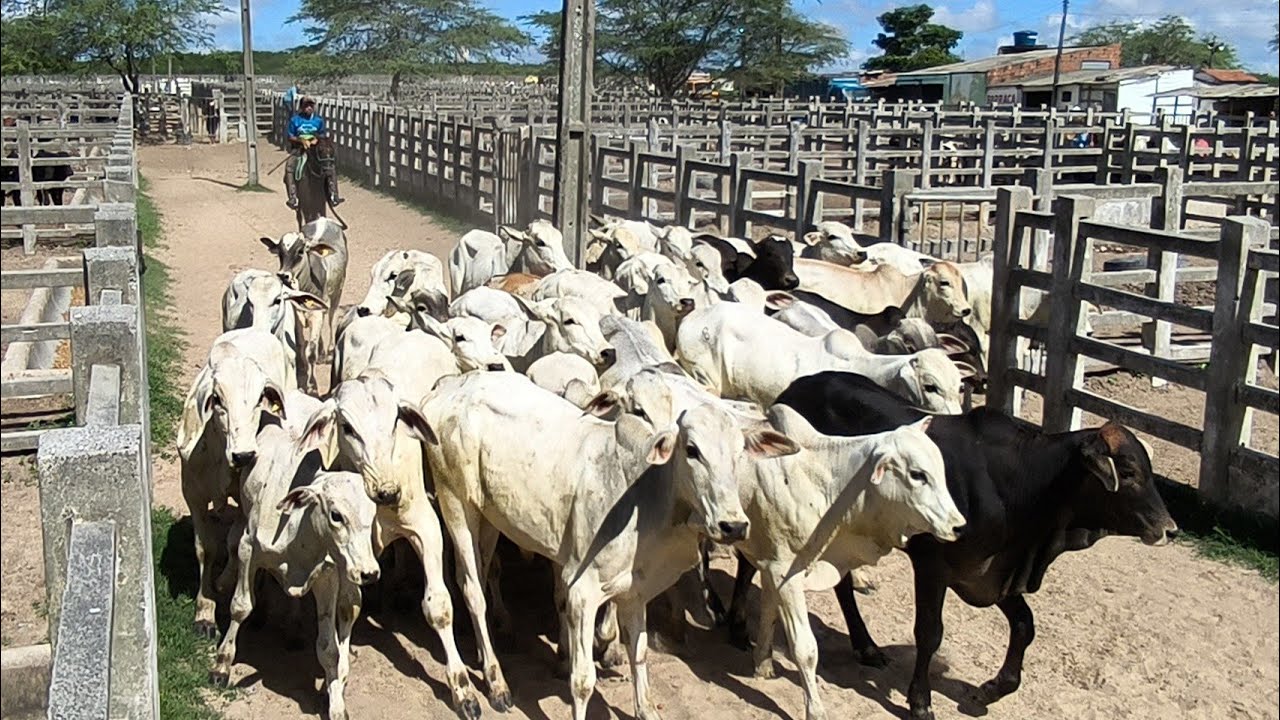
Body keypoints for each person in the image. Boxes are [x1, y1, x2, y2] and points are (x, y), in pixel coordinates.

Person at [283, 97, 342, 210]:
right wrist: (301, 140)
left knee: (330, 166)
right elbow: (290, 136)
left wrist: (316, 140)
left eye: (311, 105)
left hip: (316, 149)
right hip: (299, 149)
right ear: (301, 107)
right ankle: (293, 196)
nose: (309, 107)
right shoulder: (295, 120)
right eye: (306, 105)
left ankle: (334, 194)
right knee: (290, 166)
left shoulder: (318, 120)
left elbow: (322, 135)